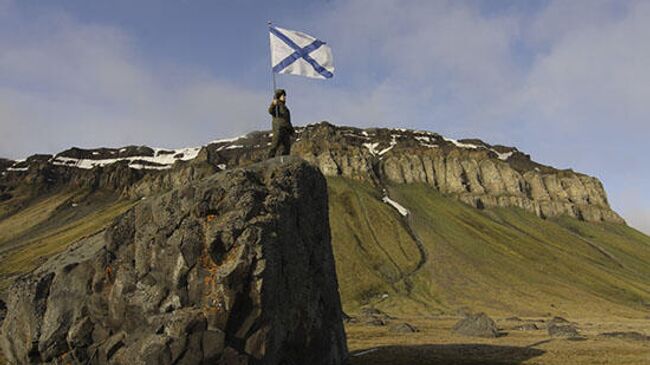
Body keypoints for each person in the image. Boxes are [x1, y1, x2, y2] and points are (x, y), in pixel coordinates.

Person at [267, 89, 294, 158]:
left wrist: (291, 130)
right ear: (279, 96)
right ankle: (270, 159)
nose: (285, 97)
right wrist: (273, 104)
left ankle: (284, 160)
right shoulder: (277, 105)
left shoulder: (285, 107)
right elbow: (270, 111)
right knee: (275, 145)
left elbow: (287, 120)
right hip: (278, 128)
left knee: (287, 147)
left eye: (285, 96)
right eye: (283, 96)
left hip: (286, 129)